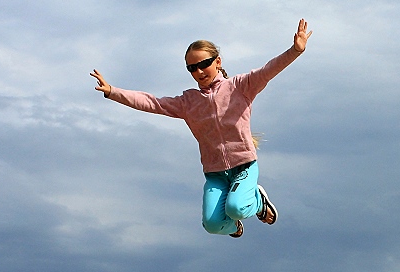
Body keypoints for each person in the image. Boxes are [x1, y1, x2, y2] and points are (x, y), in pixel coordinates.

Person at [90, 19, 312, 238]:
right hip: (215, 173)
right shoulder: (188, 102)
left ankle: (257, 199)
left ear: (218, 62)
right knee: (213, 225)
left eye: (203, 64)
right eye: (192, 68)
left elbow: (268, 70)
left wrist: (295, 50)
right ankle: (234, 227)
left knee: (236, 208)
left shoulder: (240, 87)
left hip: (243, 164)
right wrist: (112, 91)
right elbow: (152, 102)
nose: (198, 71)